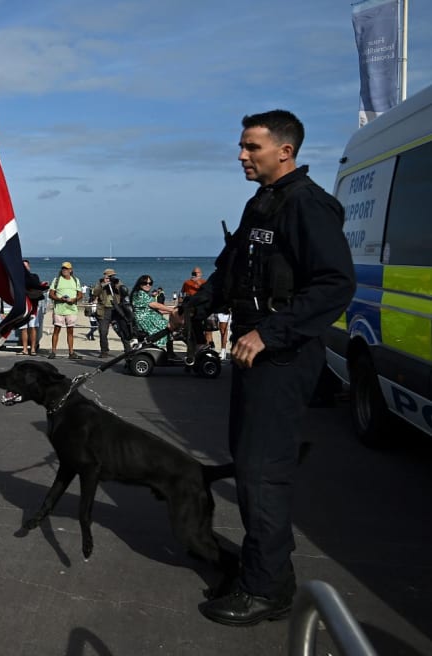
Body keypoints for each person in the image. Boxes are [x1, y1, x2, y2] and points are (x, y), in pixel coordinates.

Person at [174, 109, 355, 626]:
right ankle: (269, 572)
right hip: (256, 354)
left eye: (252, 147)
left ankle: (265, 589)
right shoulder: (264, 203)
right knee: (251, 465)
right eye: (242, 145)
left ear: (285, 151)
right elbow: (232, 267)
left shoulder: (307, 205)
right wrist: (194, 306)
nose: (241, 155)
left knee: (262, 472)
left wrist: (268, 332)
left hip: (284, 355)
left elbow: (334, 284)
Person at [47, 261, 83, 359]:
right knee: (56, 330)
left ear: (71, 270)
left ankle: (71, 352)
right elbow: (51, 294)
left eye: (66, 269)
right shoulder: (56, 280)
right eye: (63, 268)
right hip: (59, 309)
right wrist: (60, 299)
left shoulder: (76, 280)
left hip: (71, 309)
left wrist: (74, 299)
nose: (64, 270)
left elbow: (80, 294)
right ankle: (53, 352)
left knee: (70, 331)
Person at [91, 267, 127, 358]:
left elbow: (125, 292)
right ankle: (104, 351)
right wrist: (103, 284)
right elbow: (95, 293)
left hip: (116, 309)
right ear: (104, 276)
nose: (110, 278)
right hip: (104, 310)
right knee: (103, 332)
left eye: (112, 276)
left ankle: (128, 349)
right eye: (109, 276)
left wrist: (115, 285)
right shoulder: (100, 283)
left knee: (122, 330)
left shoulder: (118, 282)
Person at [130, 275, 174, 349]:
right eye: (145, 283)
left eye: (150, 283)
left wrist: (170, 312)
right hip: (146, 320)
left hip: (148, 317)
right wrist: (173, 310)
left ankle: (170, 353)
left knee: (169, 327)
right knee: (169, 327)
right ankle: (170, 353)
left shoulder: (140, 293)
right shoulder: (140, 293)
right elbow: (155, 305)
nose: (148, 285)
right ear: (140, 283)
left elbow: (156, 309)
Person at [19, 259, 46, 356]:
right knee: (23, 328)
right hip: (23, 306)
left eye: (26, 266)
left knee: (33, 327)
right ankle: (25, 349)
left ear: (29, 267)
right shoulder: (18, 278)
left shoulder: (34, 276)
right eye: (23, 266)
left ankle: (33, 349)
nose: (25, 268)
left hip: (33, 306)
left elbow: (36, 287)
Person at [181, 266, 213, 345]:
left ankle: (208, 346)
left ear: (201, 274)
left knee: (208, 329)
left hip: (204, 307)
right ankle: (195, 347)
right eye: (194, 273)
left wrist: (198, 283)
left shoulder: (204, 282)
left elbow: (209, 293)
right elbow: (182, 293)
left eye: (197, 273)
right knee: (194, 329)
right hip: (192, 308)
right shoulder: (187, 282)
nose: (195, 274)